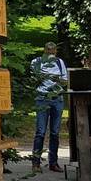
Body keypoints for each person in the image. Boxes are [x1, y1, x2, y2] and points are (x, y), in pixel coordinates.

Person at [30, 40, 68, 173]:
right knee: (40, 132)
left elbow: (64, 81)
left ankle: (53, 162)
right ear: (44, 51)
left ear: (56, 52)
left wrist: (54, 79)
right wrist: (44, 77)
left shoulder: (60, 62)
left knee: (55, 133)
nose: (51, 53)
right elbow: (33, 80)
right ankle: (36, 162)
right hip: (42, 99)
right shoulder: (36, 62)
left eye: (53, 51)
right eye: (48, 51)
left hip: (57, 99)